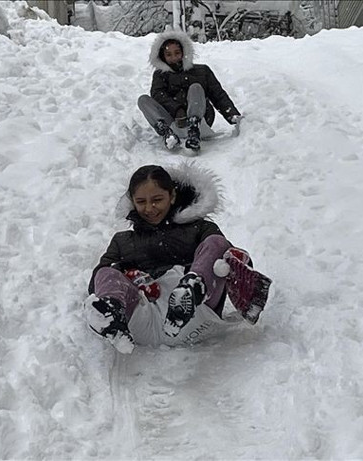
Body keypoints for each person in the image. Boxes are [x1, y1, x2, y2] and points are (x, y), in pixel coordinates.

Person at [85, 163, 236, 353]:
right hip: (143, 316)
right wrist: (126, 275)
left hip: (198, 314)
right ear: (132, 201)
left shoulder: (199, 228)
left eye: (157, 199)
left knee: (218, 244)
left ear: (172, 196)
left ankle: (191, 291)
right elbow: (96, 283)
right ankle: (112, 315)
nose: (150, 208)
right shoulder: (122, 241)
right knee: (105, 271)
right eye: (141, 202)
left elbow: (230, 264)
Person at [138, 29, 243, 151]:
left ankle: (194, 129)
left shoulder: (202, 71)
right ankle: (167, 134)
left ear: (184, 52)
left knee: (196, 87)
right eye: (169, 54)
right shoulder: (160, 75)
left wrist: (233, 116)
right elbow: (158, 96)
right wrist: (177, 110)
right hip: (173, 123)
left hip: (202, 121)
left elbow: (218, 95)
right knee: (143, 100)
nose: (174, 58)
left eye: (177, 53)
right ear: (163, 57)